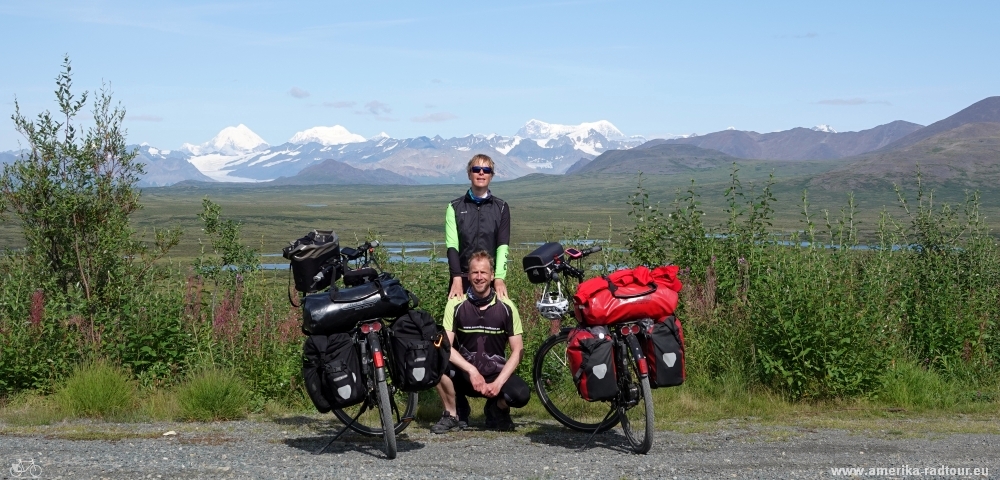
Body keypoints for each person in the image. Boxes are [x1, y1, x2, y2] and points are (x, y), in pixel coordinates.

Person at [431, 251, 529, 433]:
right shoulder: (456, 304)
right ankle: (453, 413)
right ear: (468, 276)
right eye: (474, 272)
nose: (479, 277)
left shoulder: (506, 306)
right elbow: (446, 346)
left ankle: (497, 408)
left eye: (483, 272)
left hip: (495, 375)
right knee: (434, 358)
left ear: (492, 275)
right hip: (466, 374)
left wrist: (499, 383)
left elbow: (518, 351)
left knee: (521, 395)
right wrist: (472, 370)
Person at [445, 154, 511, 300]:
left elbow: (502, 246)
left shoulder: (501, 208)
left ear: (491, 176)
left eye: (486, 170)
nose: (481, 173)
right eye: (476, 169)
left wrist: (499, 278)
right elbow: (452, 246)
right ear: (469, 174)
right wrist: (456, 277)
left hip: (490, 279)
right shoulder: (454, 207)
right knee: (456, 321)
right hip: (461, 277)